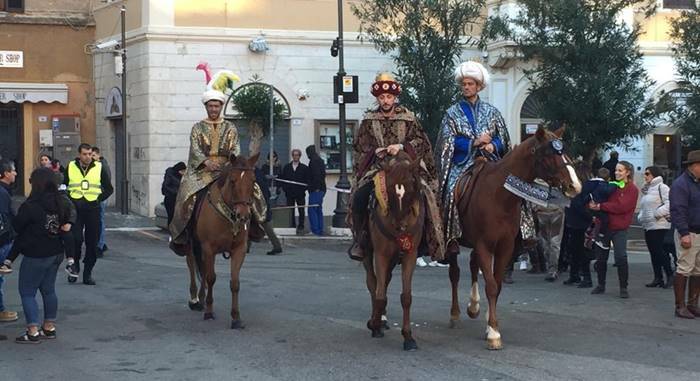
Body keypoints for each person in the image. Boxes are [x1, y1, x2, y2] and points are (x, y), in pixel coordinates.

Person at [348, 72, 444, 261]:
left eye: (389, 97)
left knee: (426, 195)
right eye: (382, 97)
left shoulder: (408, 118)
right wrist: (374, 151)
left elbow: (421, 141)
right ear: (378, 98)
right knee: (360, 196)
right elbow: (360, 145)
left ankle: (427, 241)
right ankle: (361, 240)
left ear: (395, 98)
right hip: (378, 169)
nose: (385, 101)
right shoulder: (369, 120)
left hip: (405, 166)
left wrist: (401, 146)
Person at [169, 89, 266, 256]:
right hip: (202, 171)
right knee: (185, 194)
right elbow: (195, 150)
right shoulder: (197, 128)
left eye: (216, 106)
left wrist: (227, 164)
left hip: (226, 169)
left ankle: (255, 227)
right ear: (206, 107)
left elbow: (235, 149)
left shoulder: (230, 127)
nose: (213, 109)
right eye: (210, 106)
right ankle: (183, 233)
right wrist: (206, 162)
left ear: (221, 107)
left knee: (254, 190)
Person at [435, 61, 512, 259]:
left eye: (470, 84)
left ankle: (520, 233)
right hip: (463, 163)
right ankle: (450, 237)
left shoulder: (492, 112)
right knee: (451, 190)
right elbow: (447, 141)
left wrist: (493, 145)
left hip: (490, 159)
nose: (466, 87)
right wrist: (475, 142)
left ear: (479, 87)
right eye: (464, 84)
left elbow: (503, 137)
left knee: (513, 186)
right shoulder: (452, 113)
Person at [0, 168, 75, 343]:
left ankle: (32, 330)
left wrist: (9, 258)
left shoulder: (30, 206)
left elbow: (17, 228)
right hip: (55, 252)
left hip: (35, 254)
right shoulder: (60, 203)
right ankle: (49, 327)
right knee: (48, 290)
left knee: (27, 292)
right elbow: (67, 226)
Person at [63, 143, 114, 285]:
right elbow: (64, 184)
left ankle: (88, 273)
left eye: (90, 154)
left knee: (92, 242)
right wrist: (67, 199)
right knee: (76, 239)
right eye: (85, 154)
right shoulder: (71, 166)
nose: (87, 157)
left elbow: (109, 189)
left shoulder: (99, 167)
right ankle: (75, 267)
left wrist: (98, 199)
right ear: (79, 154)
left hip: (92, 208)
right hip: (75, 208)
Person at [589, 161, 639, 298]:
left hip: (619, 228)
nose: (616, 173)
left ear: (627, 172)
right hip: (603, 226)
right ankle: (600, 285)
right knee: (601, 258)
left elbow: (621, 206)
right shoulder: (611, 186)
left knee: (621, 257)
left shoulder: (632, 189)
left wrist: (601, 206)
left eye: (620, 170)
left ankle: (623, 287)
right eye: (616, 170)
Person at [670, 150, 700, 319]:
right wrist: (683, 233)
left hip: (698, 231)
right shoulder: (681, 184)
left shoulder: (696, 183)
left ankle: (693, 304)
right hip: (689, 232)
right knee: (684, 268)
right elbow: (678, 210)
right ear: (694, 166)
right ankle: (680, 306)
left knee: (697, 270)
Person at [638, 166, 673, 289]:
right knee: (653, 252)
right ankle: (658, 277)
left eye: (647, 173)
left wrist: (657, 213)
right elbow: (643, 206)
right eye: (644, 173)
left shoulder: (662, 187)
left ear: (654, 175)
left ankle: (669, 275)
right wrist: (641, 217)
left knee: (659, 251)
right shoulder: (647, 190)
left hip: (660, 224)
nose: (645, 176)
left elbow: (670, 202)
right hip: (648, 225)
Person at [562, 164, 594, 288]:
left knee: (581, 251)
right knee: (575, 251)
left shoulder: (583, 189)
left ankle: (585, 277)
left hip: (580, 223)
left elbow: (580, 205)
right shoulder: (581, 189)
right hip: (576, 222)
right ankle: (574, 275)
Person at [0, 160, 18, 322]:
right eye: (13, 171)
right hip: (4, 239)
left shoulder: (5, 191)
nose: (15, 173)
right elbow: (5, 218)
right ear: (6, 173)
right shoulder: (2, 192)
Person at [583, 168, 618, 250]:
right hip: (598, 207)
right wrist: (615, 185)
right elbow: (608, 191)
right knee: (605, 219)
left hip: (588, 206)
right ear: (608, 178)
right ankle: (601, 235)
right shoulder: (602, 184)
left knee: (591, 219)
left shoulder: (589, 183)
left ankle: (588, 230)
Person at [280, 149, 310, 235]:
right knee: (290, 210)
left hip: (300, 193)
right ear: (292, 156)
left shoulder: (304, 168)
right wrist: (285, 189)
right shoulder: (287, 167)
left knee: (301, 210)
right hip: (289, 193)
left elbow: (307, 180)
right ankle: (291, 225)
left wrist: (303, 189)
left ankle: (301, 226)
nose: (295, 156)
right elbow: (283, 179)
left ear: (299, 156)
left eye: (297, 155)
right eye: (294, 155)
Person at [255, 167, 283, 255]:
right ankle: (246, 246)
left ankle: (277, 246)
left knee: (264, 224)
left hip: (259, 202)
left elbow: (260, 189)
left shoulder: (256, 173)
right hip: (258, 202)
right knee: (250, 222)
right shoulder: (257, 172)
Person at [91, 147, 110, 257]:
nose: (91, 158)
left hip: (99, 198)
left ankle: (100, 245)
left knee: (100, 222)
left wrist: (101, 197)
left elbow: (106, 184)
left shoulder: (102, 166)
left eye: (93, 155)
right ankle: (100, 243)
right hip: (93, 197)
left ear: (98, 155)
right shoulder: (96, 166)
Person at [305, 145, 326, 236]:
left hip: (315, 189)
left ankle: (315, 230)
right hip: (322, 189)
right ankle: (320, 230)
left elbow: (316, 176)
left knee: (312, 209)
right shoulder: (320, 160)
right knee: (318, 209)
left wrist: (315, 187)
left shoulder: (313, 162)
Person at [161, 162, 186, 226]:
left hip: (179, 199)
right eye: (182, 171)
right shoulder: (170, 174)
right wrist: (176, 192)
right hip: (170, 199)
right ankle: (171, 233)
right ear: (178, 170)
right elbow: (165, 186)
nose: (183, 173)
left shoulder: (182, 176)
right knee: (172, 217)